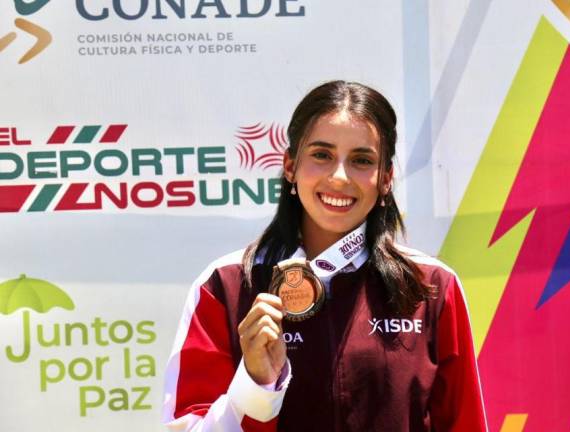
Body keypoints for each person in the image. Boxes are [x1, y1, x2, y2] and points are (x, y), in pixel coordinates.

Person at [162, 81, 487, 431]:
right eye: (321, 155)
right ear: (290, 166)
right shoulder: (226, 285)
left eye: (362, 160)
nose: (339, 177)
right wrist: (255, 385)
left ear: (386, 179)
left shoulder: (431, 287)